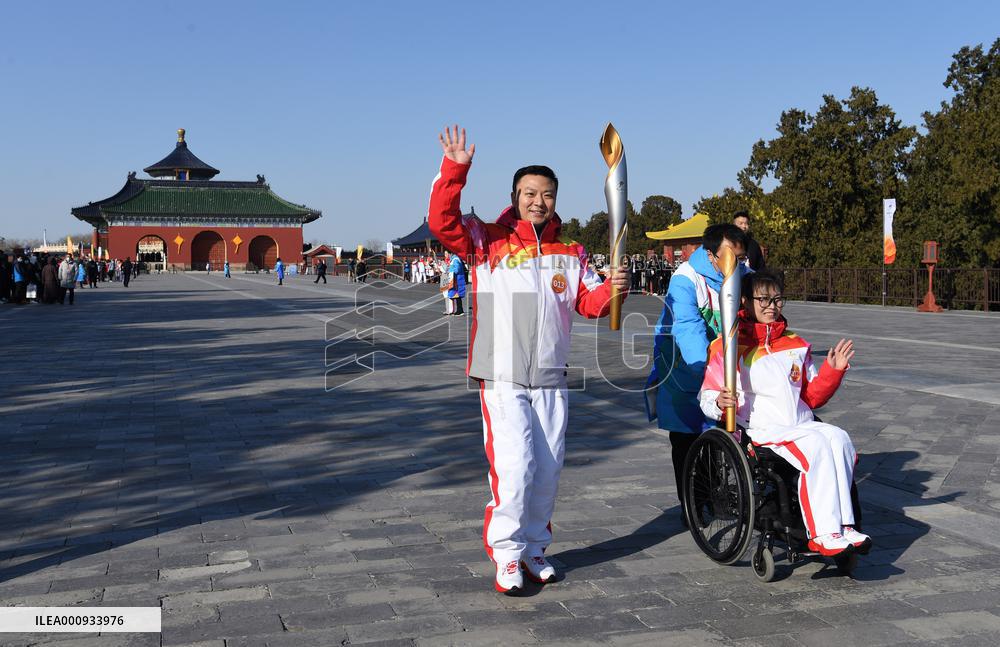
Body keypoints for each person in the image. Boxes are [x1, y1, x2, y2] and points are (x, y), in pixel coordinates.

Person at [430, 125, 630, 594]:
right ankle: (507, 554)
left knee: (547, 467)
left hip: (551, 374)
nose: (539, 201)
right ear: (515, 196)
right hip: (501, 374)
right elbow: (442, 222)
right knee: (515, 466)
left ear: (556, 199)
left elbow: (588, 303)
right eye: (530, 193)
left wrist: (614, 289)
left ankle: (536, 548)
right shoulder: (486, 241)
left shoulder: (571, 251)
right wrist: (455, 169)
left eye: (547, 194)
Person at [699, 270, 871, 556]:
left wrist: (833, 371)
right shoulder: (727, 346)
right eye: (763, 299)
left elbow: (812, 397)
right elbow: (706, 395)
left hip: (800, 423)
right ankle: (823, 533)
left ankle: (845, 526)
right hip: (763, 429)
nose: (771, 306)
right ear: (744, 301)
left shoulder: (796, 344)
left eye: (777, 299)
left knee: (839, 438)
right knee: (815, 447)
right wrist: (718, 401)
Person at [646, 223, 747, 523]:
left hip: (720, 365)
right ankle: (690, 503)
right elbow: (688, 329)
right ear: (710, 254)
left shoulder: (741, 273)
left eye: (739, 259)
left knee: (716, 430)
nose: (735, 265)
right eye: (729, 258)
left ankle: (715, 493)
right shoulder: (685, 279)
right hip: (683, 366)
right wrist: (708, 371)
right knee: (686, 437)